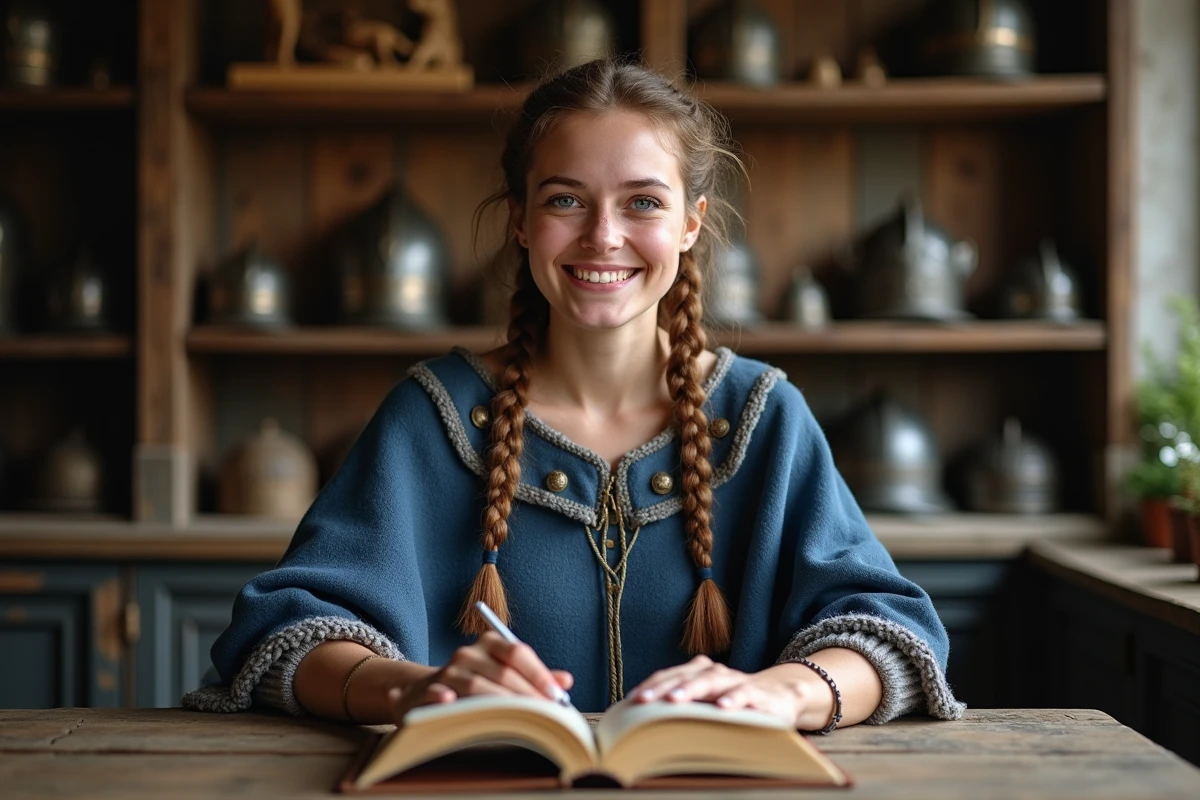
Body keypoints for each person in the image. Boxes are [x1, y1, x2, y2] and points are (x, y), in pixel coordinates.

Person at [184, 58, 964, 732]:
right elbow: (281, 632)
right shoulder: (433, 415)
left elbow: (894, 636)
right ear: (520, 221)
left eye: (643, 202)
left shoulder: (763, 418)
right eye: (564, 200)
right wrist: (415, 687)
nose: (602, 236)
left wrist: (780, 694)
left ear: (691, 224)